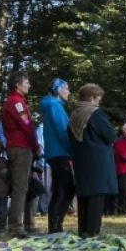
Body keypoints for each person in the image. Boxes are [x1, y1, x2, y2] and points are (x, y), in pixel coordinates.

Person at [68, 84, 117, 238]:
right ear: (91, 98)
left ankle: (82, 230)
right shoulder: (95, 113)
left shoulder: (74, 114)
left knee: (83, 195)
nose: (98, 103)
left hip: (81, 160)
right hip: (98, 160)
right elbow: (110, 136)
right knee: (97, 195)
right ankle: (93, 232)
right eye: (97, 99)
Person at [1, 71, 40, 237]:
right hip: (21, 148)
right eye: (26, 82)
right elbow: (27, 126)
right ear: (18, 85)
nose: (29, 85)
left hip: (20, 147)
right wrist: (35, 145)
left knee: (28, 186)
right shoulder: (16, 103)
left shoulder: (15, 102)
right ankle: (16, 226)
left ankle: (28, 223)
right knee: (20, 187)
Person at [41, 79, 74, 233]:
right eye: (66, 88)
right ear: (59, 90)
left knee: (60, 189)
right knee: (67, 188)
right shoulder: (54, 106)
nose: (69, 91)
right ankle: (55, 227)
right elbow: (63, 132)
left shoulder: (53, 106)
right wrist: (73, 151)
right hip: (59, 152)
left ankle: (55, 227)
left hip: (55, 153)